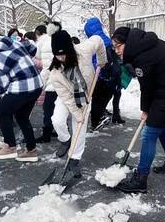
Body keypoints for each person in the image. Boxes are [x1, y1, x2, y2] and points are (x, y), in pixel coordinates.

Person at [111, 27, 165, 193]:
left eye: (118, 46)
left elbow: (146, 87)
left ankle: (141, 178)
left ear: (128, 42)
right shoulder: (146, 45)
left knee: (149, 133)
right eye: (114, 47)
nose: (116, 50)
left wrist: (145, 110)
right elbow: (152, 82)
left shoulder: (143, 57)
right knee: (162, 128)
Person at [44, 27, 106, 184]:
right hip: (67, 96)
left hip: (85, 95)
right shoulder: (55, 72)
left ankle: (74, 160)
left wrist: (101, 61)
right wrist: (78, 114)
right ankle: (65, 140)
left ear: (70, 49)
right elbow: (66, 98)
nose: (61, 58)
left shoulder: (84, 50)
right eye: (57, 55)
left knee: (80, 127)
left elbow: (98, 40)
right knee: (57, 120)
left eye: (63, 53)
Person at [0, 33, 43, 162]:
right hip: (37, 84)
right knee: (21, 116)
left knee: (0, 111)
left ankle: (10, 147)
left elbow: (4, 86)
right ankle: (31, 150)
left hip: (22, 87)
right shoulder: (13, 42)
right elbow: (32, 46)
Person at [84, 17, 123, 130]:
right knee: (102, 99)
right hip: (108, 76)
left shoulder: (91, 42)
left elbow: (93, 60)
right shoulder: (107, 40)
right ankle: (97, 120)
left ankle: (95, 122)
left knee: (96, 100)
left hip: (98, 76)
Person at [34, 23, 58, 143]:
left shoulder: (45, 44)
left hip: (53, 83)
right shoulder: (55, 40)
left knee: (48, 108)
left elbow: (47, 68)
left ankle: (47, 134)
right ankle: (58, 131)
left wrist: (41, 83)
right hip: (61, 82)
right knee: (57, 108)